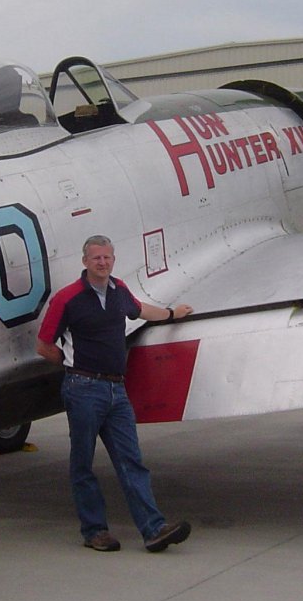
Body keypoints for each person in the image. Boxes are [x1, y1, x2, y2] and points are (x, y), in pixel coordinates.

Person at [36, 235, 193, 553]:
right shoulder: (67, 299)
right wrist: (73, 366)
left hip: (116, 390)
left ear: (113, 260)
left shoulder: (119, 289)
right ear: (85, 262)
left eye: (107, 258)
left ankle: (153, 529)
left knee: (131, 460)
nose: (102, 263)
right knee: (83, 464)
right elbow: (43, 345)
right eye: (96, 258)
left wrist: (172, 314)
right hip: (83, 390)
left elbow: (139, 310)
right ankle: (94, 531)